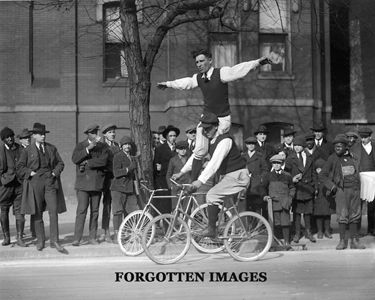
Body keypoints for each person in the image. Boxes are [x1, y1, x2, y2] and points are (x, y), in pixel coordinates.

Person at [157, 49, 272, 180]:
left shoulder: (220, 73)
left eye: (202, 61)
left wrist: (257, 62)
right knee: (199, 149)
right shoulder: (199, 78)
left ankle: (222, 176)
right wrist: (168, 84)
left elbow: (237, 70)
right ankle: (192, 181)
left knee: (217, 149)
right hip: (206, 118)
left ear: (210, 60)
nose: (199, 64)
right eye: (197, 62)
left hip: (222, 119)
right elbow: (186, 83)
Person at [173, 112, 250, 239]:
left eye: (208, 128)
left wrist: (200, 181)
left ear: (216, 127)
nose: (205, 131)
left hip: (238, 175)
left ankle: (212, 230)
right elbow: (196, 156)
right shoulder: (210, 142)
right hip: (228, 176)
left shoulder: (225, 140)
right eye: (203, 128)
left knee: (212, 195)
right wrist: (182, 172)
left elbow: (214, 163)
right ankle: (220, 230)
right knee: (217, 202)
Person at [17, 123, 66, 253]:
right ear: (34, 136)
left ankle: (55, 241)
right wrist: (30, 173)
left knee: (53, 211)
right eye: (40, 134)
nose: (43, 136)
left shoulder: (51, 148)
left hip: (50, 182)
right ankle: (40, 240)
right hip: (35, 183)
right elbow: (20, 167)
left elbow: (60, 163)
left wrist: (54, 173)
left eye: (44, 134)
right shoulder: (27, 150)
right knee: (37, 212)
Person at [319, 134, 365, 250]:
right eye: (336, 146)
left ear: (346, 147)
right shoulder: (332, 158)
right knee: (342, 216)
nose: (337, 148)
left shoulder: (353, 157)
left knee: (355, 215)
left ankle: (354, 241)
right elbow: (322, 175)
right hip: (341, 191)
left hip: (354, 190)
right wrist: (332, 187)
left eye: (340, 146)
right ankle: (342, 242)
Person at [71, 124, 110, 246]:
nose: (95, 135)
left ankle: (92, 237)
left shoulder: (103, 147)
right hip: (83, 184)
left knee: (95, 211)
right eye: (93, 133)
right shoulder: (81, 145)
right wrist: (88, 148)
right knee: (81, 211)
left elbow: (103, 161)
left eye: (96, 132)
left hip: (97, 184)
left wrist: (88, 162)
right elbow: (75, 159)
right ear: (88, 134)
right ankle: (77, 238)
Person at [285, 135, 317, 243]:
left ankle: (308, 232)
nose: (297, 147)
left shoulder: (309, 157)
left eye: (299, 145)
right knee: (297, 213)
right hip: (297, 188)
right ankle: (297, 233)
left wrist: (314, 186)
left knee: (308, 212)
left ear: (303, 146)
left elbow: (313, 173)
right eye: (295, 145)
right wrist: (292, 179)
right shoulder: (290, 158)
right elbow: (286, 173)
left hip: (308, 188)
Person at [0, 127, 26, 247]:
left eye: (11, 136)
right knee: (4, 211)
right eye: (7, 137)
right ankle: (6, 237)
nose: (10, 138)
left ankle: (20, 238)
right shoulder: (0, 150)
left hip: (19, 185)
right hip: (5, 186)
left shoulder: (20, 148)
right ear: (3, 139)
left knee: (20, 212)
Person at [263, 154, 295, 249]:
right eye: (274, 163)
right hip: (273, 204)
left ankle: (286, 242)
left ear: (282, 164)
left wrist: (290, 198)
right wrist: (265, 196)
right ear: (272, 164)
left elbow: (292, 188)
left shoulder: (287, 176)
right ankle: (274, 243)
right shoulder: (268, 176)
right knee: (274, 223)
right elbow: (263, 188)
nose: (276, 165)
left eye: (278, 163)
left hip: (285, 203)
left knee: (285, 223)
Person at [110, 136, 138, 242]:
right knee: (118, 211)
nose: (127, 146)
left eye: (128, 144)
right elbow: (116, 173)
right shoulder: (118, 156)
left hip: (129, 188)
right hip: (118, 188)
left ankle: (127, 233)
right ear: (121, 146)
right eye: (125, 144)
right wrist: (129, 168)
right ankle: (117, 235)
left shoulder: (132, 157)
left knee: (131, 211)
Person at [351, 127, 375, 236]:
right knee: (358, 205)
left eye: (365, 137)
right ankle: (358, 229)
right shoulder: (355, 148)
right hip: (360, 178)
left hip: (373, 178)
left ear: (370, 137)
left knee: (372, 205)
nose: (363, 139)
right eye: (362, 137)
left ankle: (372, 228)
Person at [153, 125, 179, 214]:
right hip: (164, 179)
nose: (173, 138)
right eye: (170, 136)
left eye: (174, 136)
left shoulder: (179, 148)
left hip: (177, 178)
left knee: (177, 202)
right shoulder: (160, 148)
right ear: (167, 137)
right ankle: (166, 224)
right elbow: (157, 166)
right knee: (166, 203)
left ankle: (178, 223)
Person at [101, 124, 120, 242]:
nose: (112, 134)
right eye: (109, 132)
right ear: (104, 134)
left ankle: (118, 231)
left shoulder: (118, 146)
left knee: (117, 206)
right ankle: (106, 231)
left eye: (113, 132)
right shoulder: (101, 146)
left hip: (117, 179)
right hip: (106, 179)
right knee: (107, 205)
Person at [16, 128, 35, 238]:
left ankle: (34, 231)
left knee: (34, 206)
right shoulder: (18, 151)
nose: (27, 139)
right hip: (21, 183)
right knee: (21, 208)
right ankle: (20, 233)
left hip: (32, 182)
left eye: (28, 137)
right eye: (24, 138)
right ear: (20, 140)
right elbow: (18, 168)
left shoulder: (33, 149)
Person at [242, 136, 268, 216]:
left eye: (253, 144)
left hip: (256, 186)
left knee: (257, 207)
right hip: (245, 185)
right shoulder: (243, 156)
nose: (251, 146)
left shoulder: (260, 156)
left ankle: (258, 227)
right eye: (249, 144)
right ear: (246, 145)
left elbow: (265, 169)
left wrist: (260, 178)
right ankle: (249, 227)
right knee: (247, 207)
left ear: (255, 145)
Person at [166, 140, 191, 210]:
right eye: (181, 149)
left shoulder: (190, 159)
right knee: (175, 209)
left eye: (185, 149)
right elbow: (168, 174)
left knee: (187, 209)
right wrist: (170, 186)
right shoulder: (173, 160)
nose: (183, 151)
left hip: (187, 187)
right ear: (177, 150)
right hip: (176, 187)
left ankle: (186, 221)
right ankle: (175, 220)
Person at [313, 158, 334, 239]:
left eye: (321, 168)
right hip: (318, 198)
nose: (319, 171)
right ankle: (320, 231)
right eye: (317, 169)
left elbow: (331, 184)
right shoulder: (315, 177)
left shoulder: (328, 176)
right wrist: (315, 188)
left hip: (326, 197)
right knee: (319, 215)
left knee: (327, 215)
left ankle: (327, 230)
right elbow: (313, 184)